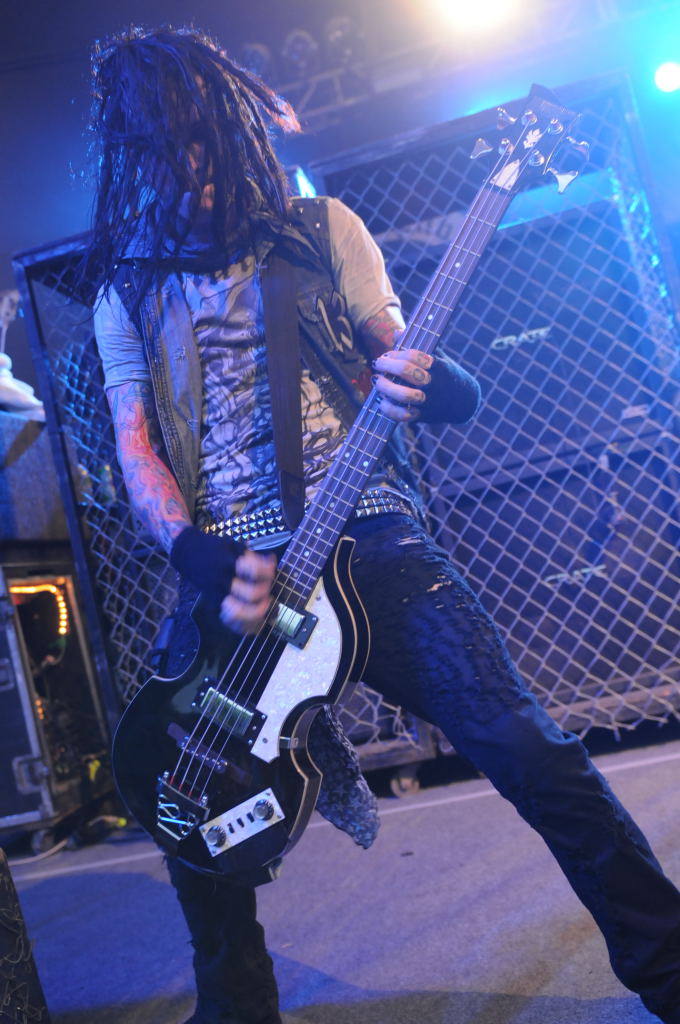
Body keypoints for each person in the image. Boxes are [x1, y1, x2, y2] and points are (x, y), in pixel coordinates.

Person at [87, 26, 680, 1024]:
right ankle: (236, 1007)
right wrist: (194, 552)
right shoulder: (126, 290)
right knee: (176, 776)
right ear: (129, 160)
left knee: (531, 750)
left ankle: (668, 967)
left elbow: (409, 364)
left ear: (232, 134)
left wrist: (433, 383)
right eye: (159, 153)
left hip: (370, 532)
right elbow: (135, 445)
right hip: (232, 564)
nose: (185, 173)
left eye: (198, 145)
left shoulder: (321, 229)